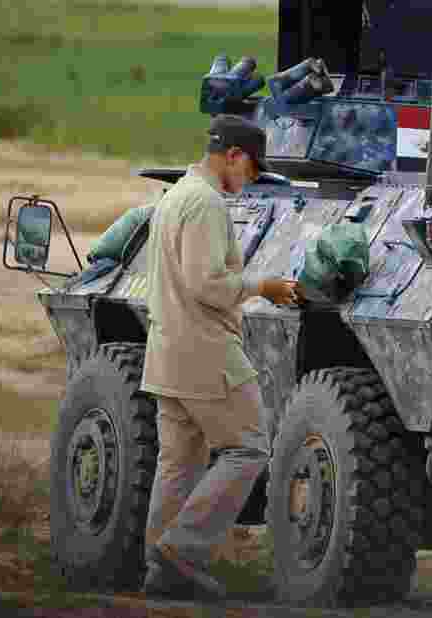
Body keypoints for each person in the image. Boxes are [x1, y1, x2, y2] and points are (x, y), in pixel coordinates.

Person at [139, 114, 298, 600]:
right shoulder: (206, 204)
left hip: (167, 350)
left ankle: (161, 568)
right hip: (206, 351)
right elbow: (206, 285)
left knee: (179, 462)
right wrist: (264, 287)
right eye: (250, 169)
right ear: (232, 156)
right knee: (251, 447)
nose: (250, 180)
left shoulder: (174, 198)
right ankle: (183, 551)